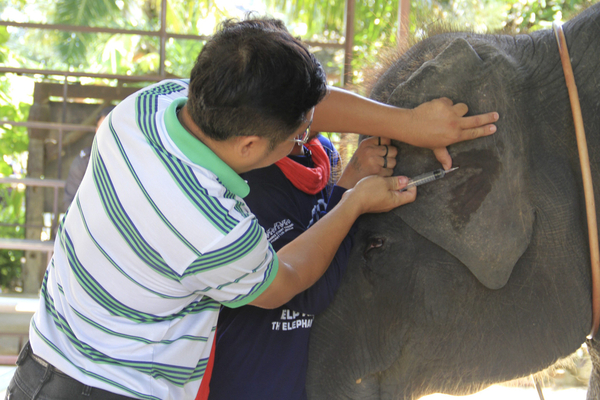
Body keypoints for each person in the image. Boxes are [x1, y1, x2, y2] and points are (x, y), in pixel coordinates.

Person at [5, 17, 497, 400]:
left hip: (42, 365)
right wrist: (353, 202)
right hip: (112, 389)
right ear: (247, 146)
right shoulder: (213, 227)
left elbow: (303, 107)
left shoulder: (147, 109)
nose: (307, 139)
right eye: (298, 137)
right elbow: (284, 279)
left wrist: (409, 123)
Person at [207, 131, 394, 400]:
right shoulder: (247, 173)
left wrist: (352, 185)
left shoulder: (323, 154)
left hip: (304, 376)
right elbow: (306, 291)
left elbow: (329, 244)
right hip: (249, 379)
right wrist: (352, 196)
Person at [63, 106, 115, 210]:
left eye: (110, 129)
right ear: (96, 131)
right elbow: (69, 204)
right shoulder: (83, 163)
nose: (105, 134)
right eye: (102, 129)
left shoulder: (132, 160)